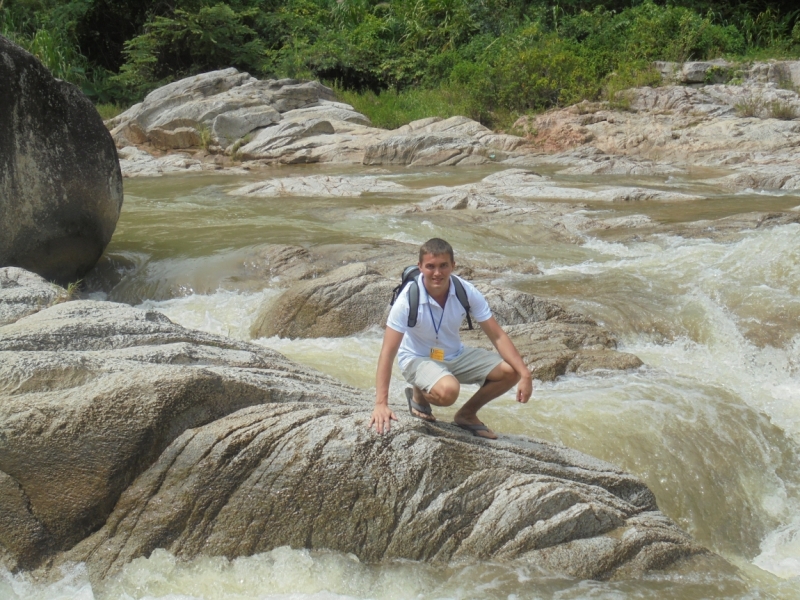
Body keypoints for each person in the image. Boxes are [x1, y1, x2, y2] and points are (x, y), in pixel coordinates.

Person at [369, 238, 532, 439]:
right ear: (420, 267)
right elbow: (387, 353)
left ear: (453, 265)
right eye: (431, 266)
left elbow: (497, 335)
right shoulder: (407, 300)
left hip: (454, 354)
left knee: (511, 371)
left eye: (443, 266)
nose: (437, 273)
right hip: (416, 358)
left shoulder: (465, 291)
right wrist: (381, 404)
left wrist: (525, 374)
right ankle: (419, 392)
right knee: (448, 391)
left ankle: (467, 414)